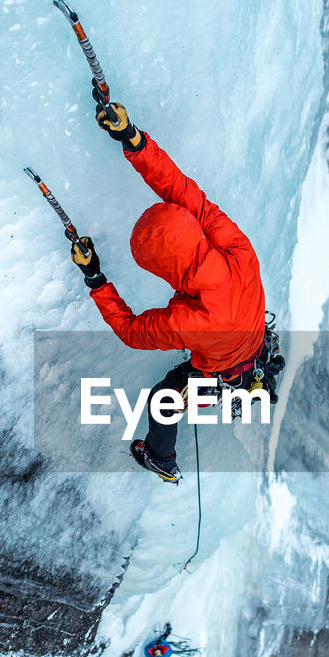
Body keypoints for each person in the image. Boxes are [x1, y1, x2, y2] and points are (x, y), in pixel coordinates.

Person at [71, 93, 267, 482]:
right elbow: (183, 193)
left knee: (165, 397)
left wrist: (95, 279)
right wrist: (134, 140)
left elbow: (130, 332)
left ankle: (160, 459)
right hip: (252, 339)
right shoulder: (238, 250)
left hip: (222, 367)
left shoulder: (190, 321)